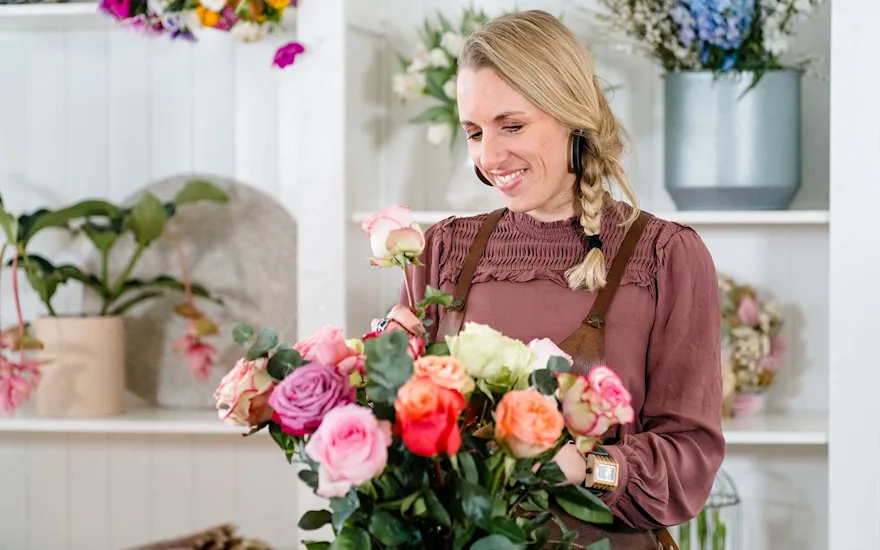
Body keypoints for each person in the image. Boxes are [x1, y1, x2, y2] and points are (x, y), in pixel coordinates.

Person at [375, 9, 724, 550]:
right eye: (474, 132)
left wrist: (590, 467)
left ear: (572, 116)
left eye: (512, 126)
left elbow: (691, 459)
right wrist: (376, 369)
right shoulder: (441, 249)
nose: (490, 156)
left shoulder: (664, 256)